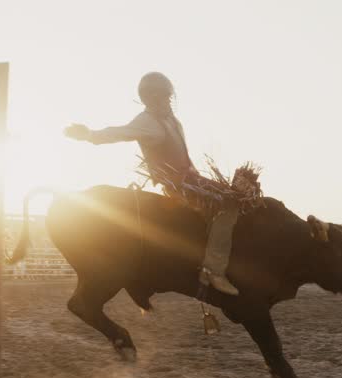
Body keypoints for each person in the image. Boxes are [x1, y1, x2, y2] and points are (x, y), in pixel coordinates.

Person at [64, 72, 240, 296]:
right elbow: (120, 133)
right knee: (227, 206)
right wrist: (89, 134)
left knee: (236, 196)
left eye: (168, 97)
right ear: (150, 99)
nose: (167, 101)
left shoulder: (173, 120)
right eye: (162, 97)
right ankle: (213, 271)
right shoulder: (146, 122)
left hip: (193, 178)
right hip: (178, 184)